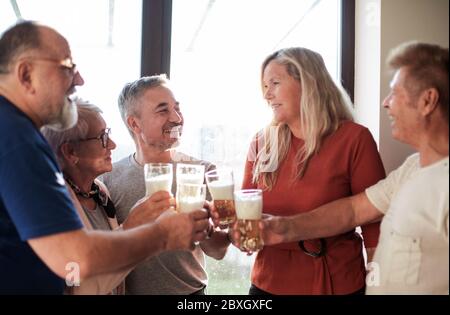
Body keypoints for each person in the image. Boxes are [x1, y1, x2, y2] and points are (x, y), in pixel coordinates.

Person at [0, 21, 209, 294]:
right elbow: (75, 257)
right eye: (67, 68)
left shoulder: (16, 132)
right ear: (26, 74)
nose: (79, 80)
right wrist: (163, 234)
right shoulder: (16, 140)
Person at [259, 42, 449, 294]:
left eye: (395, 93)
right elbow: (353, 210)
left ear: (428, 100)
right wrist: (282, 228)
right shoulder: (412, 168)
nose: (385, 103)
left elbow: (369, 228)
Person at [220, 47, 386, 295]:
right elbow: (246, 218)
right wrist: (233, 231)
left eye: (274, 83)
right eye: (265, 86)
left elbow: (376, 224)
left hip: (336, 282)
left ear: (308, 83)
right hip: (268, 283)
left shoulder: (354, 139)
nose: (267, 94)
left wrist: (380, 286)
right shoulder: (260, 143)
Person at [101, 74, 231, 294]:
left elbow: (219, 252)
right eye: (163, 111)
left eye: (177, 108)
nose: (177, 118)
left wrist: (205, 229)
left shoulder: (205, 172)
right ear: (134, 123)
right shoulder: (109, 179)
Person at [42, 99, 174, 294]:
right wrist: (131, 228)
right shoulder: (54, 208)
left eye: (108, 134)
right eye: (102, 137)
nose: (112, 145)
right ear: (71, 152)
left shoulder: (100, 191)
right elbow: (75, 287)